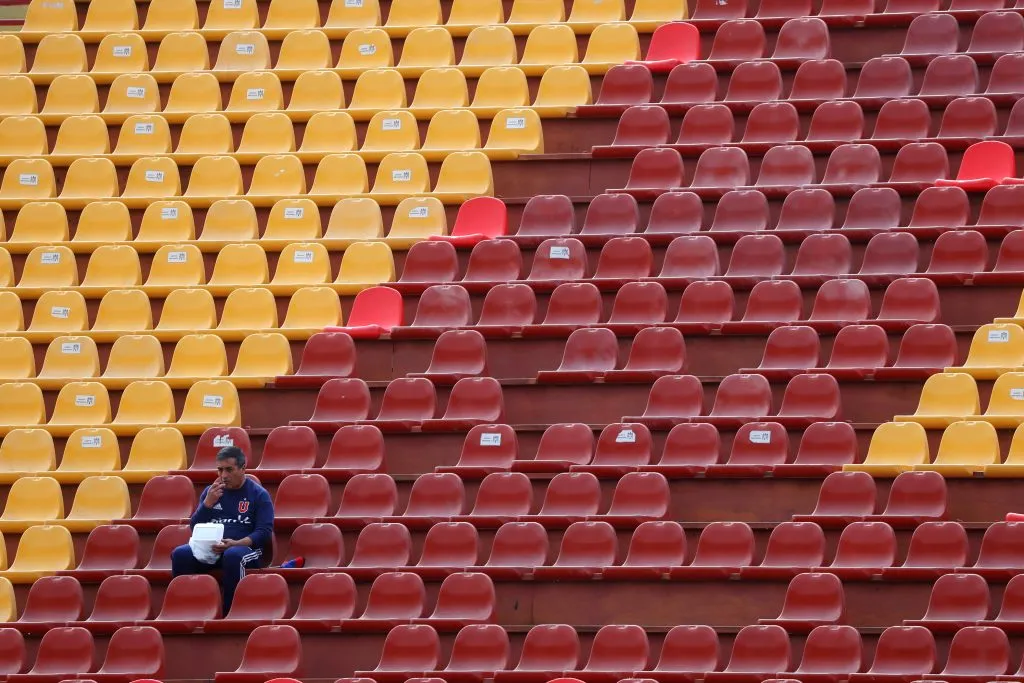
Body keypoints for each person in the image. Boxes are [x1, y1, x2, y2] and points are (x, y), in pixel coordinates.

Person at [171, 445, 275, 614]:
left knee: (233, 556)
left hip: (246, 549)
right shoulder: (211, 492)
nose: (223, 475)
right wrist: (207, 504)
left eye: (229, 470)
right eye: (220, 470)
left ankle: (232, 612)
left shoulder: (259, 495)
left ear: (243, 469)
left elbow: (264, 532)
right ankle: (187, 611)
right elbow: (194, 527)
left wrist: (236, 543)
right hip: (212, 549)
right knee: (180, 554)